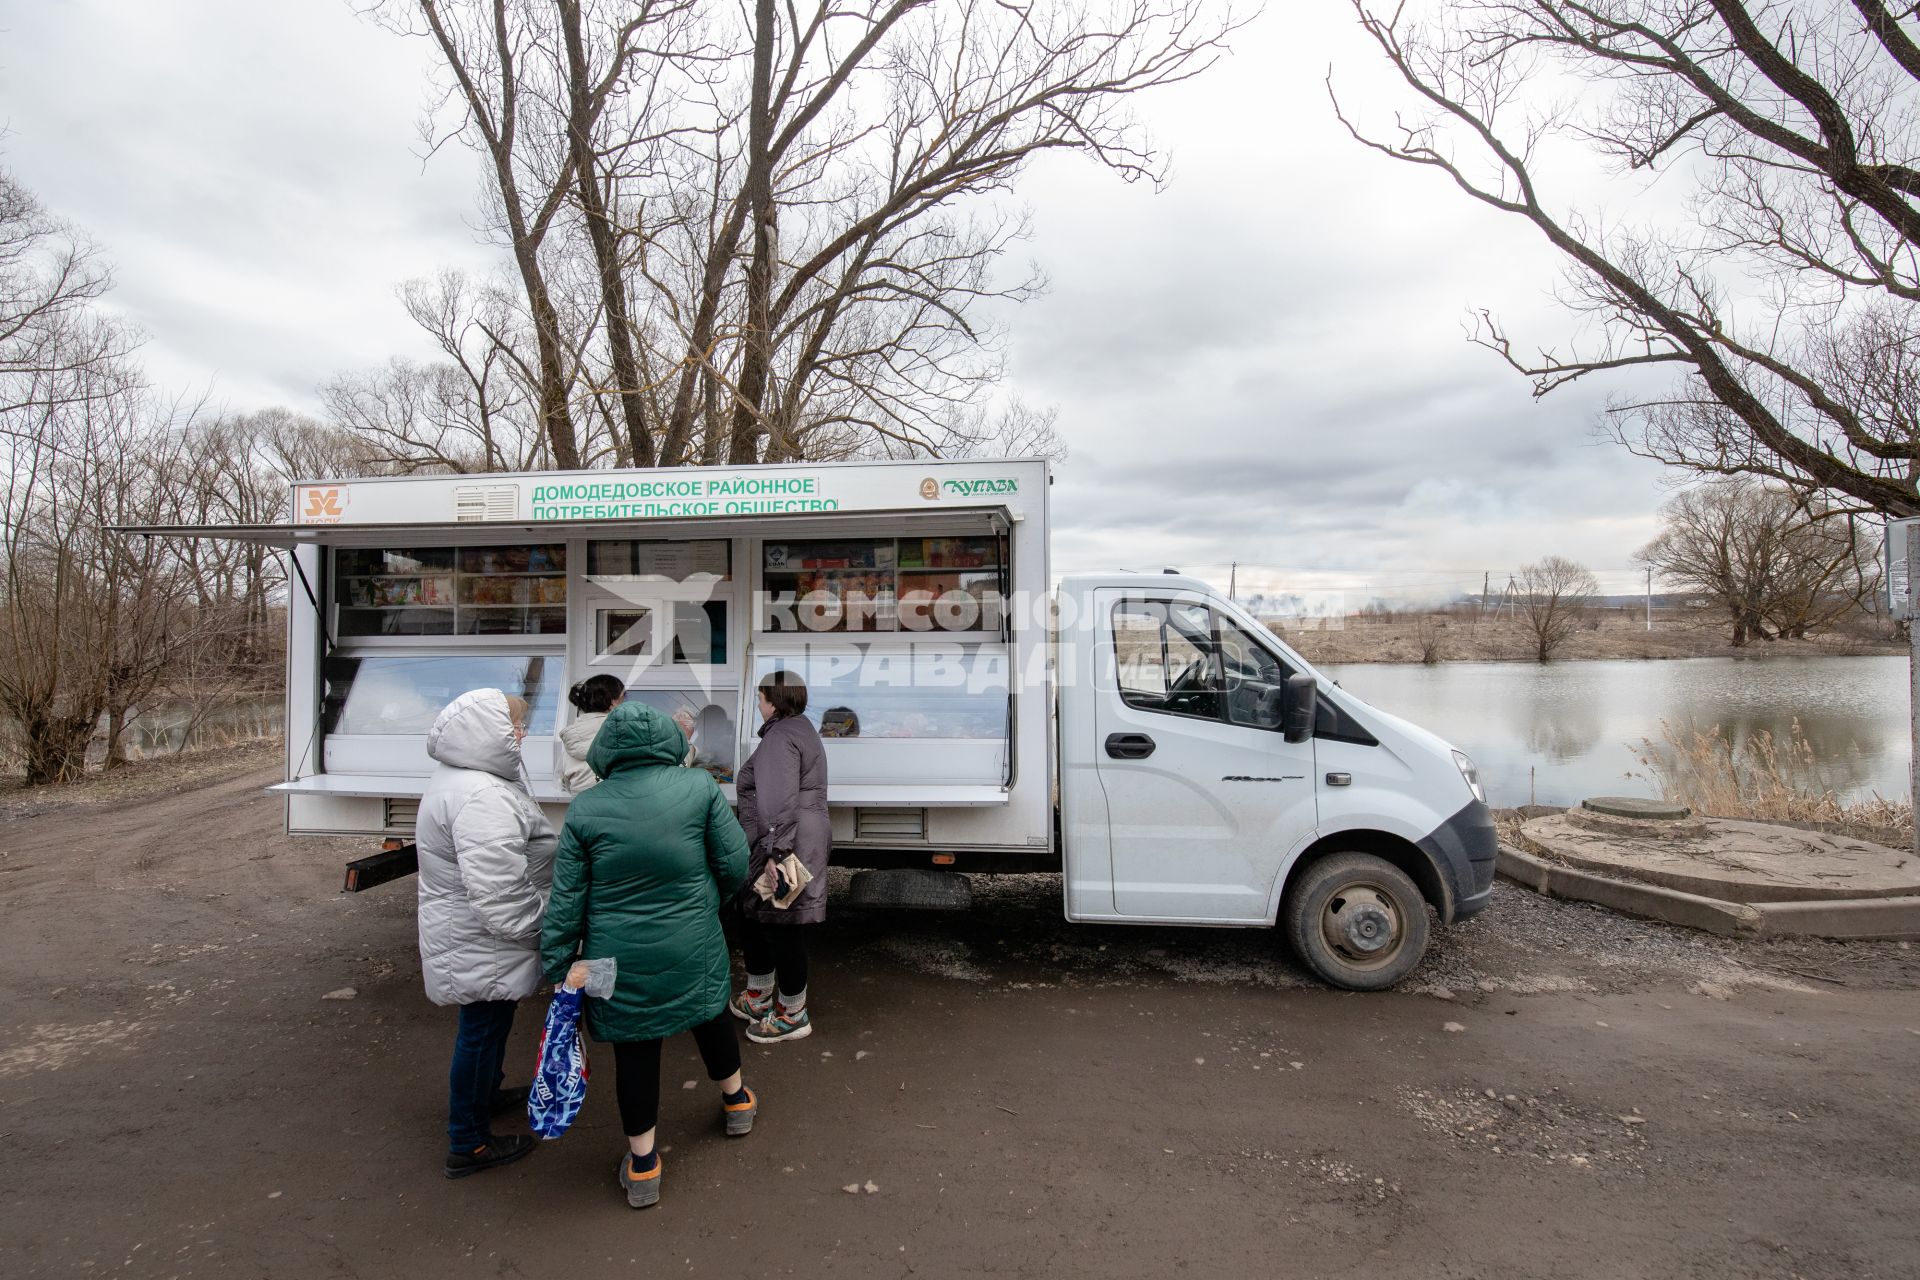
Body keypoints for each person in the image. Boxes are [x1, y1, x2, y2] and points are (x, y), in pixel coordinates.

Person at [540, 702, 756, 1210]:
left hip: (615, 957)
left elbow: (567, 899)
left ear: (606, 751)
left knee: (636, 1047)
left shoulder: (587, 808)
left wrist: (556, 964)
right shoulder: (700, 788)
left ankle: (643, 1167)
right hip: (692, 938)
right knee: (709, 1014)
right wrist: (708, 904)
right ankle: (737, 1103)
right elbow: (735, 863)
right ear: (668, 741)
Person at [415, 688, 556, 1179]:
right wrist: (546, 928)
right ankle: (468, 1142)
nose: (522, 735)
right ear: (489, 734)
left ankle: (487, 1095)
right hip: (484, 939)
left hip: (473, 934)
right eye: (515, 726)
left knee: (489, 1026)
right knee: (480, 1031)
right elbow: (500, 892)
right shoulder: (480, 796)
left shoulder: (469, 779)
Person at [729, 670, 831, 1044]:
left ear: (774, 700)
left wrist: (775, 852)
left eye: (760, 698)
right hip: (797, 836)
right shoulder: (799, 730)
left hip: (786, 841)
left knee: (781, 924)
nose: (758, 705)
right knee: (758, 916)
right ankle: (758, 997)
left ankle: (792, 1013)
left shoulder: (781, 737)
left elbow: (778, 799)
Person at [557, 674, 625, 794]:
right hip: (619, 807)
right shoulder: (625, 731)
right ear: (613, 702)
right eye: (624, 697)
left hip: (581, 808)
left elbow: (561, 783)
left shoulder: (572, 736)